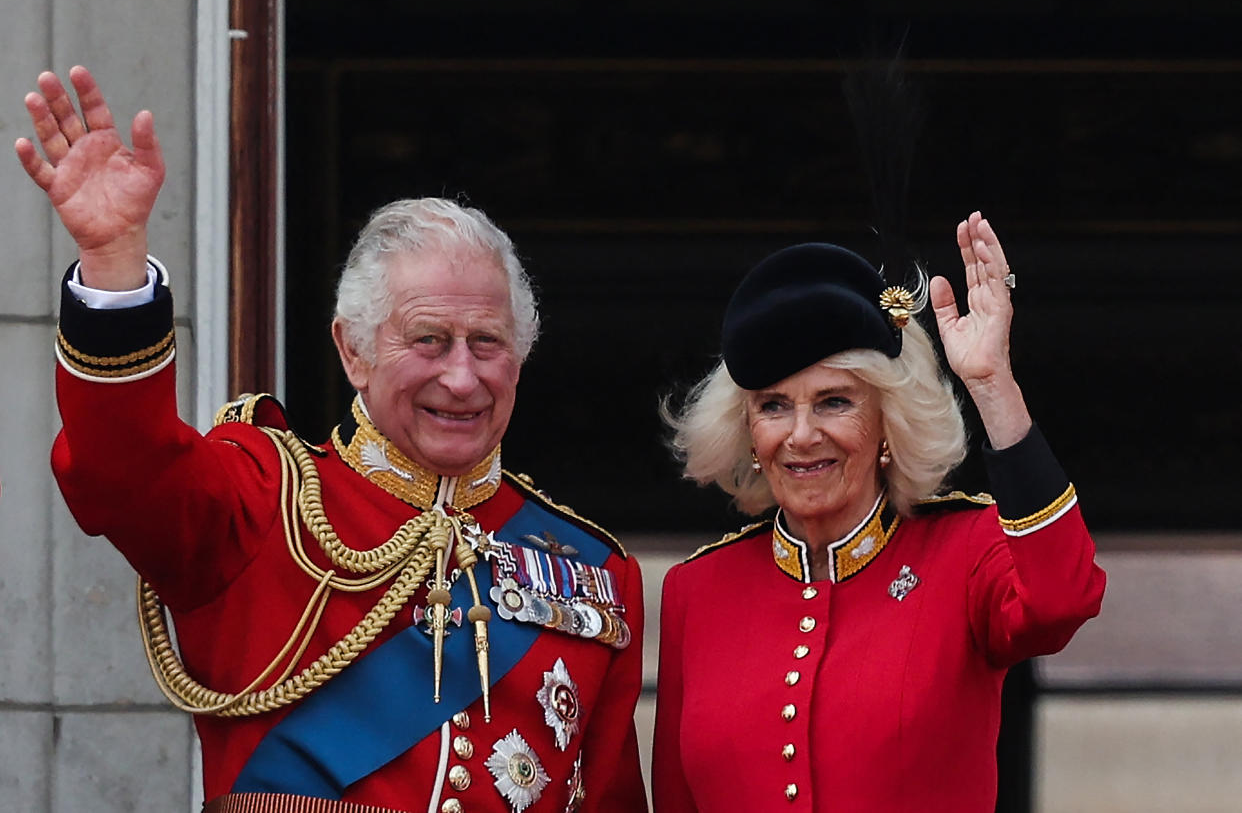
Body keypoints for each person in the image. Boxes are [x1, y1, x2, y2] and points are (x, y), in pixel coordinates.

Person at [17, 65, 647, 813]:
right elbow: (122, 469)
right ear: (353, 351)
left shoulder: (594, 573)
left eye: (488, 342)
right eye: (428, 339)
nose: (461, 376)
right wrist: (115, 264)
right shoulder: (259, 502)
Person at [652, 222, 1106, 812]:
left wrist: (993, 386)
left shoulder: (964, 552)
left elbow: (1062, 600)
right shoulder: (698, 590)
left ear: (889, 422)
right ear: (747, 431)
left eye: (835, 401)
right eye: (774, 407)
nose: (802, 435)